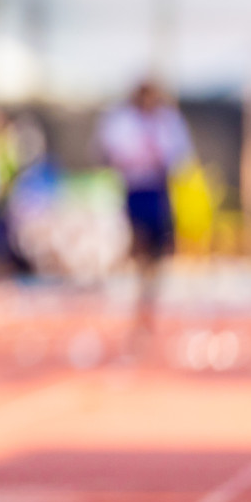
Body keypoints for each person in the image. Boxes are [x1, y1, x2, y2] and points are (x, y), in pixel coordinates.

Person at [96, 80, 192, 346]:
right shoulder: (122, 121)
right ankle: (137, 299)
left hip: (158, 190)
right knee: (138, 245)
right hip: (134, 189)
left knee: (157, 253)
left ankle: (147, 299)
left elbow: (179, 158)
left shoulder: (167, 122)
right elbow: (110, 153)